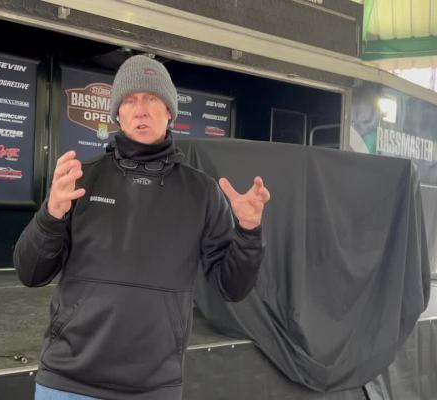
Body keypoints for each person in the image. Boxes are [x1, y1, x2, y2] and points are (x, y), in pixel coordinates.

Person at [14, 54, 270, 400]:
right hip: (68, 380)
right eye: (130, 100)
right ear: (117, 113)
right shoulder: (80, 180)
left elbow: (232, 287)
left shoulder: (202, 192)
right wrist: (51, 214)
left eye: (152, 98)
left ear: (169, 112)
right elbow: (30, 273)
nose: (141, 110)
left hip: (153, 387)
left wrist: (249, 232)